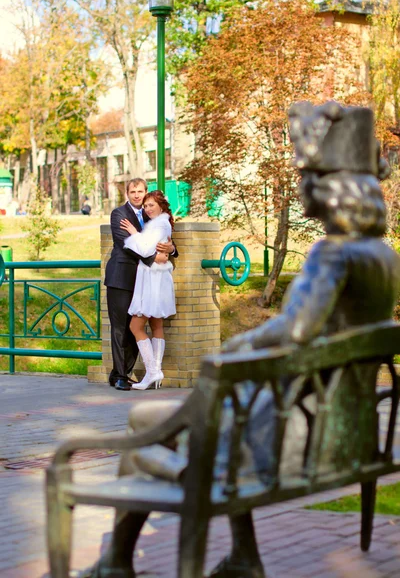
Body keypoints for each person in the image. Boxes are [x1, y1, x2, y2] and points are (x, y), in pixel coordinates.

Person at [86, 102, 400, 578]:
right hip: (347, 425)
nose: (299, 187)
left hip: (294, 427)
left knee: (142, 435)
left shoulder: (333, 255)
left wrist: (234, 350)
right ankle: (243, 557)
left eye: (304, 177)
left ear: (327, 187)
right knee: (180, 414)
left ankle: (116, 564)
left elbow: (293, 331)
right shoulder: (384, 256)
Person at [105, 178, 177, 391]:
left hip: (145, 280)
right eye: (133, 191)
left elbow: (163, 238)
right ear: (127, 193)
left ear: (146, 192)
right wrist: (155, 257)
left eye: (140, 192)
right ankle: (120, 376)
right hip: (122, 277)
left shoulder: (151, 216)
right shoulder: (119, 214)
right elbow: (125, 244)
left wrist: (171, 249)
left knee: (139, 326)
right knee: (121, 328)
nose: (137, 196)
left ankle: (133, 371)